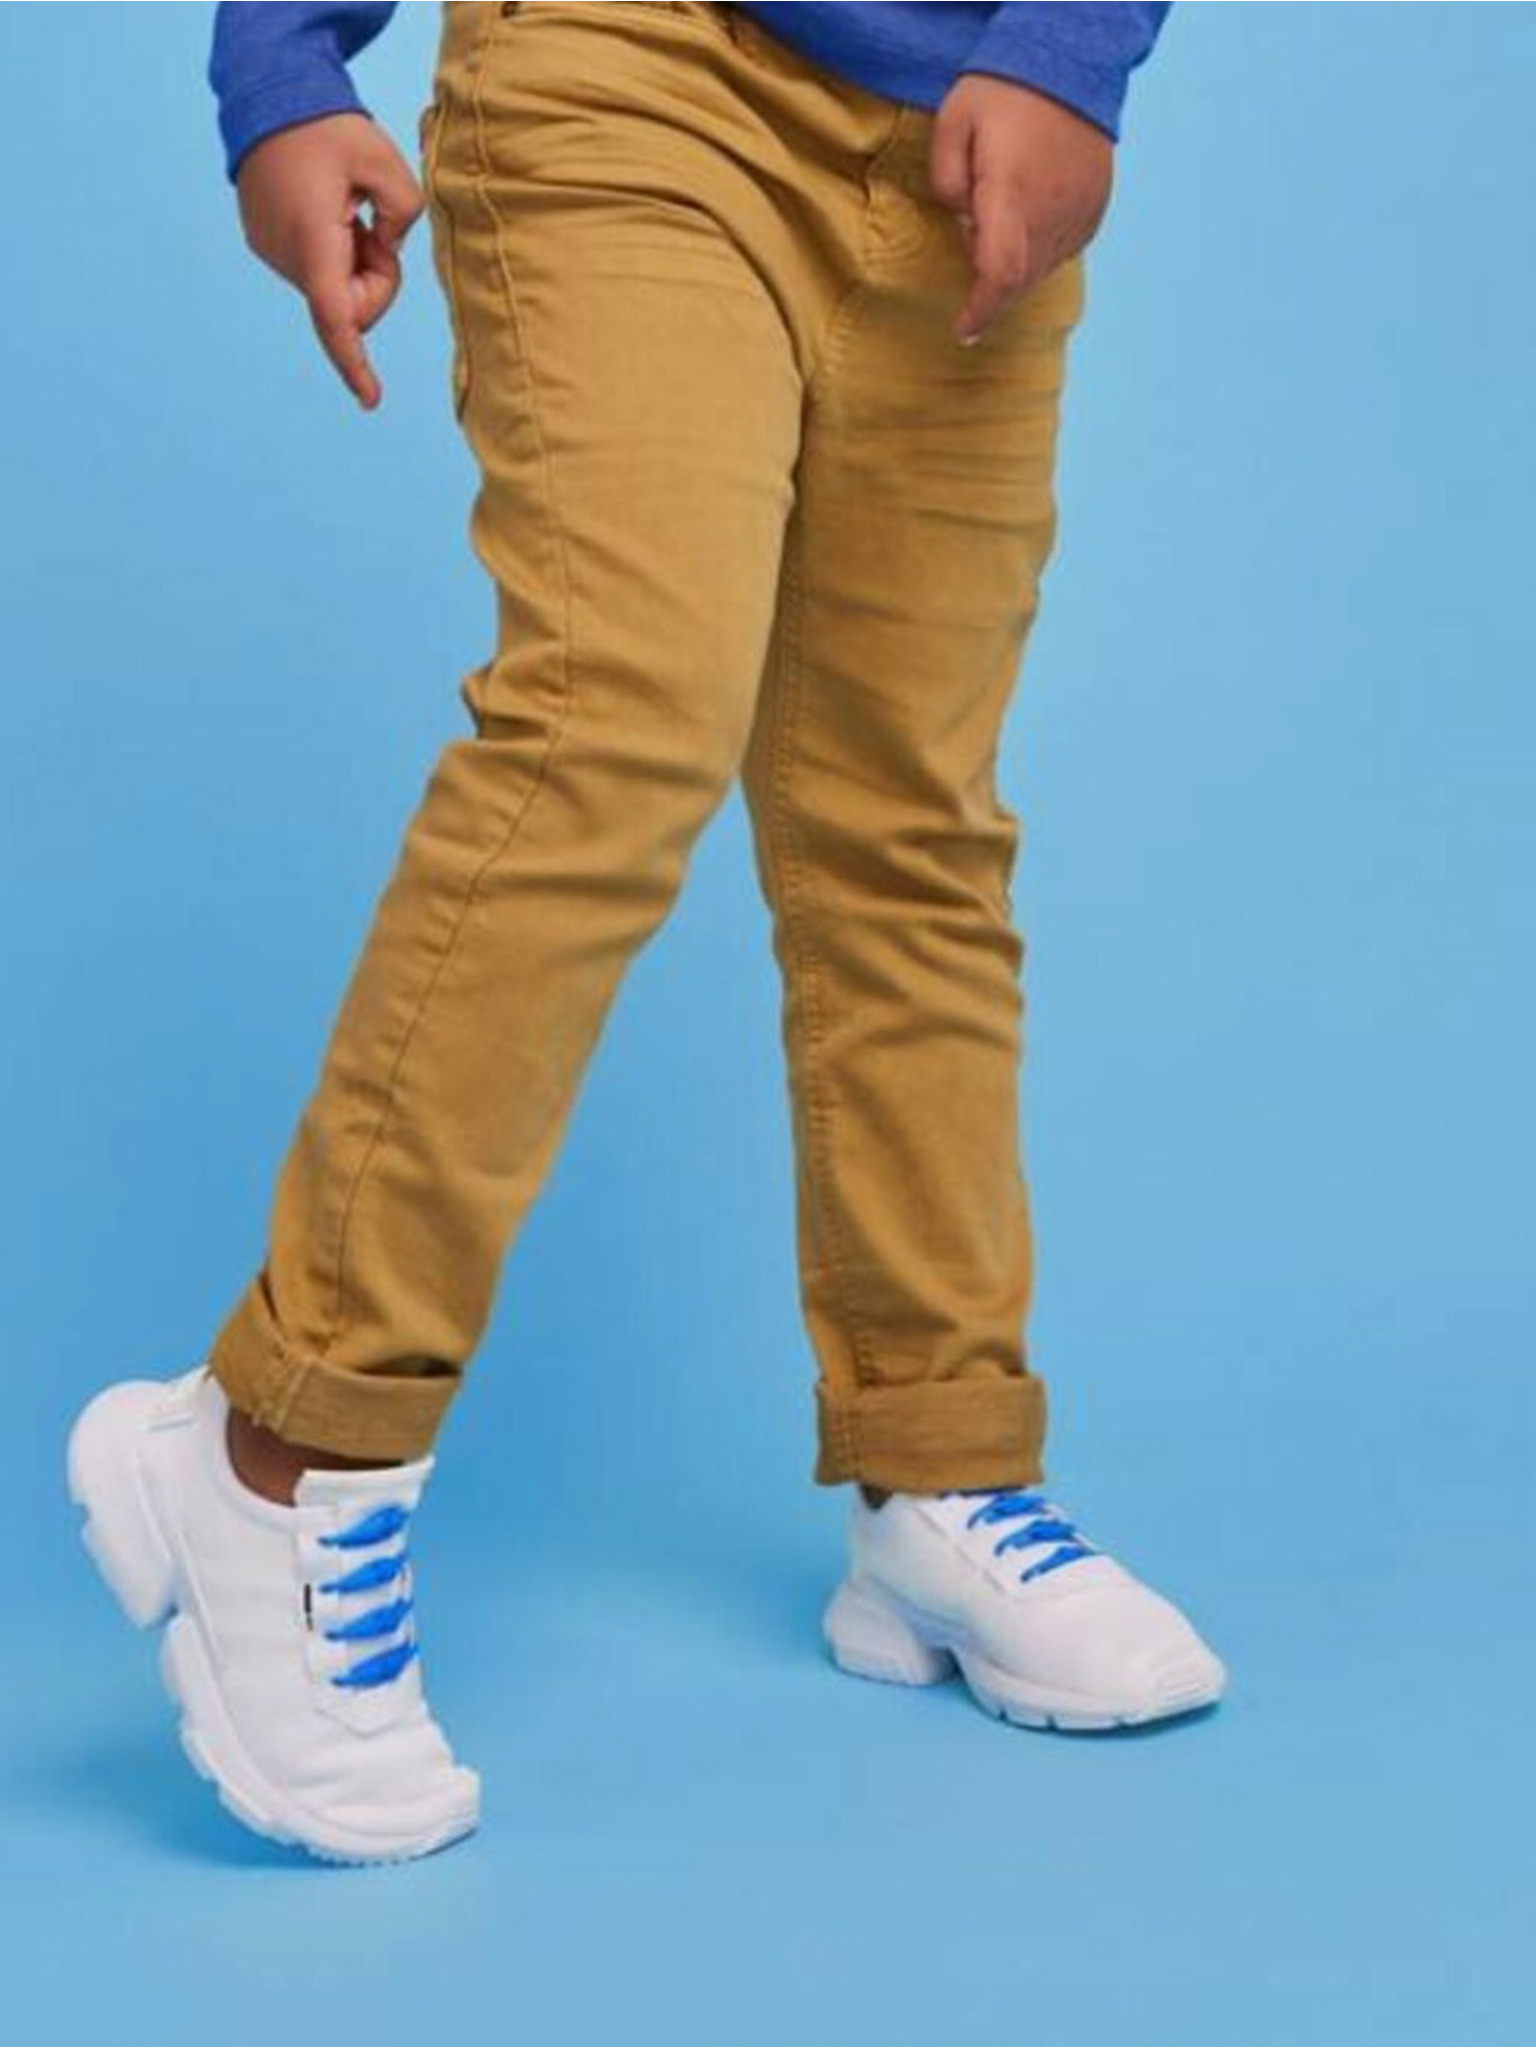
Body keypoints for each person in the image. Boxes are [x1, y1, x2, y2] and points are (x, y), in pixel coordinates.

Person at [67, 0, 1224, 1866]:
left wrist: (1071, 52)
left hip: (968, 128)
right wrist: (283, 60)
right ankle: (280, 1451)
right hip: (631, 70)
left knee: (908, 821)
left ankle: (937, 1468)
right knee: (612, 717)